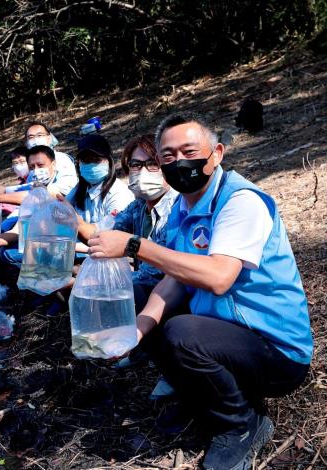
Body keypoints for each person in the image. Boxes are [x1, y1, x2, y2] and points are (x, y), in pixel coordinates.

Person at [88, 112, 312, 470]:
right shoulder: (182, 205)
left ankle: (242, 425)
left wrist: (134, 246)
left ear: (217, 153)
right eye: (169, 156)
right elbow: (175, 276)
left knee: (182, 332)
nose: (180, 162)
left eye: (189, 151)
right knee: (144, 297)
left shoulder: (241, 201)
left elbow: (220, 277)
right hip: (225, 334)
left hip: (274, 350)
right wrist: (141, 326)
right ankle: (201, 398)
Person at [76, 134, 178, 311]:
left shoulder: (176, 208)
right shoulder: (138, 206)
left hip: (167, 297)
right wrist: (74, 222)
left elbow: (153, 275)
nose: (142, 172)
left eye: (153, 164)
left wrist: (91, 282)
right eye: (135, 165)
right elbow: (107, 232)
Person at [0, 122, 78, 206]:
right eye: (31, 137)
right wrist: (4, 190)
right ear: (26, 143)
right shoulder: (32, 170)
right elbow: (29, 190)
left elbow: (43, 196)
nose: (35, 140)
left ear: (49, 138)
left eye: (39, 135)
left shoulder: (62, 160)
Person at [66, 133, 134, 255]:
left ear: (109, 161)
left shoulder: (118, 193)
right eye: (85, 161)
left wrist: (72, 243)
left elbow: (112, 239)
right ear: (79, 164)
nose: (91, 165)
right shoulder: (79, 189)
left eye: (96, 160)